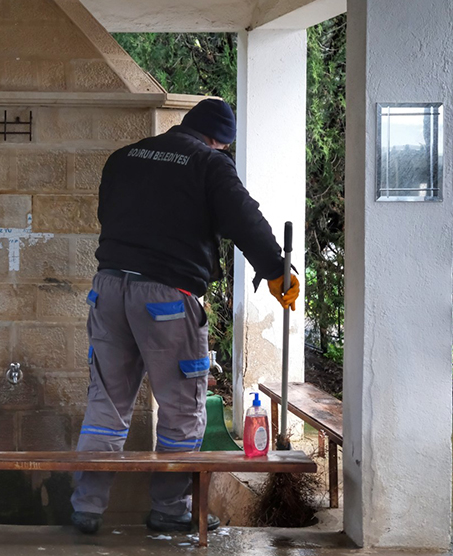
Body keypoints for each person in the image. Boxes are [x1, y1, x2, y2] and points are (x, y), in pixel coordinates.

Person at [70, 98, 300, 534]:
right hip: (167, 298)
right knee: (180, 407)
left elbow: (108, 214)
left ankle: (87, 507)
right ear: (219, 141)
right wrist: (276, 269)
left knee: (106, 404)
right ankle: (171, 508)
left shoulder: (125, 156)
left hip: (109, 289)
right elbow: (244, 219)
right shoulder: (209, 164)